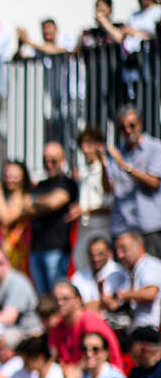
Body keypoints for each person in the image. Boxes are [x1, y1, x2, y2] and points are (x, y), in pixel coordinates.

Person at [105, 107, 161, 255]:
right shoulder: (117, 152)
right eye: (123, 128)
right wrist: (101, 163)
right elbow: (109, 188)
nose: (128, 130)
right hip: (122, 226)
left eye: (132, 125)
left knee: (152, 273)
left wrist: (124, 166)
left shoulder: (155, 148)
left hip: (148, 227)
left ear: (140, 125)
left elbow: (153, 182)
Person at [25, 143, 80, 292]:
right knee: (42, 299)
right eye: (46, 161)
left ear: (63, 160)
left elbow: (53, 202)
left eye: (53, 161)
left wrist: (35, 202)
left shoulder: (68, 183)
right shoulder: (40, 185)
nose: (49, 165)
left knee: (57, 295)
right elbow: (24, 206)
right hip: (36, 249)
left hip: (57, 249)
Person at [47, 281, 123, 367]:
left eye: (65, 299)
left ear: (78, 300)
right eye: (56, 299)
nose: (60, 303)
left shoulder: (90, 323)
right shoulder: (57, 330)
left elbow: (101, 360)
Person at [72, 127, 114, 274]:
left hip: (101, 228)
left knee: (103, 269)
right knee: (81, 266)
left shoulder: (107, 169)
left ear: (98, 145)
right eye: (82, 145)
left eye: (89, 145)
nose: (84, 149)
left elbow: (109, 204)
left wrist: (84, 210)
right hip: (84, 229)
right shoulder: (84, 171)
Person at [102, 230, 161, 329]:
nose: (120, 255)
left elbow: (150, 293)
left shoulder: (151, 265)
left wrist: (121, 295)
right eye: (117, 251)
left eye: (124, 249)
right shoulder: (130, 273)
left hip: (151, 329)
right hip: (137, 328)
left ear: (139, 247)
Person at [0, 245, 41, 331]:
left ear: (7, 263)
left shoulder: (18, 282)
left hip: (27, 333)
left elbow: (9, 317)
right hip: (3, 329)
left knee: (3, 338)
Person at [0, 160, 32, 275]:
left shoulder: (25, 199)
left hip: (17, 252)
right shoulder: (2, 198)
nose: (10, 179)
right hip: (0, 250)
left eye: (15, 176)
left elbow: (7, 219)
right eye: (8, 176)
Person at [71, 237, 130, 320]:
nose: (95, 258)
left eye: (100, 254)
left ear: (109, 253)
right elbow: (72, 306)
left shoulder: (118, 272)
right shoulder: (78, 277)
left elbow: (114, 305)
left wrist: (85, 306)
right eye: (92, 254)